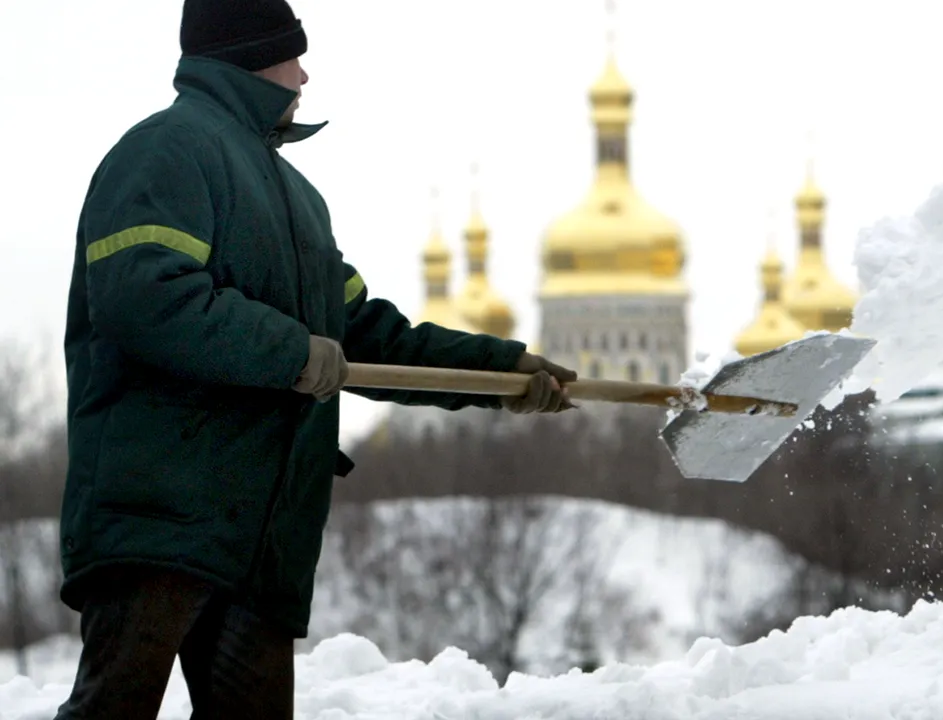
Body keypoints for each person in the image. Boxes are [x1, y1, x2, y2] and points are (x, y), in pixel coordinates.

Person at [54, 0, 576, 717]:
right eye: (292, 54)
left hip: (263, 533)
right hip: (163, 515)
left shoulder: (299, 199)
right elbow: (145, 297)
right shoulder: (165, 151)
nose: (304, 73)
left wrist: (506, 374)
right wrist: (291, 353)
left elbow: (364, 332)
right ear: (250, 57)